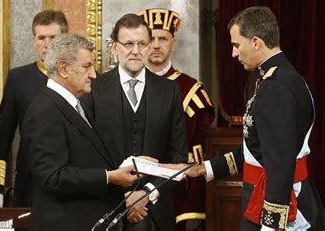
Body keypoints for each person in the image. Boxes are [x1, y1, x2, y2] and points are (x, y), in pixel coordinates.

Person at [165, 6, 324, 230]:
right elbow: (256, 149)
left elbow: (279, 166)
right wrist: (205, 169)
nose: (234, 53)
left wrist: (270, 227)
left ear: (256, 42)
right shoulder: (279, 78)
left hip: (282, 209)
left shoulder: (276, 88)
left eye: (236, 45)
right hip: (269, 199)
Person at [82, 13, 188, 231]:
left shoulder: (169, 91)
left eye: (142, 43)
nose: (135, 50)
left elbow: (178, 158)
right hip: (105, 210)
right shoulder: (93, 90)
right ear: (114, 47)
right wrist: (124, 199)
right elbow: (86, 157)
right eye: (128, 43)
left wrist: (146, 193)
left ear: (149, 46)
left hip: (156, 213)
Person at [22, 33, 137, 230]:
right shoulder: (44, 110)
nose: (93, 74)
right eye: (87, 67)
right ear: (63, 69)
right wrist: (109, 177)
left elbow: (89, 156)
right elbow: (53, 177)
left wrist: (135, 164)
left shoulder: (76, 104)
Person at [139, 8, 215, 230]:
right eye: (150, 39)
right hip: (133, 184)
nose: (155, 45)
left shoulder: (192, 90)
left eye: (162, 39)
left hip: (175, 189)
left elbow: (197, 153)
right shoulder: (127, 87)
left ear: (173, 43)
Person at [0, 10, 69, 208]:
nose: (47, 44)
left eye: (53, 37)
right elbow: (4, 136)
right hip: (29, 177)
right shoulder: (18, 78)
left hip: (71, 177)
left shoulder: (81, 76)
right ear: (34, 40)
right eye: (41, 38)